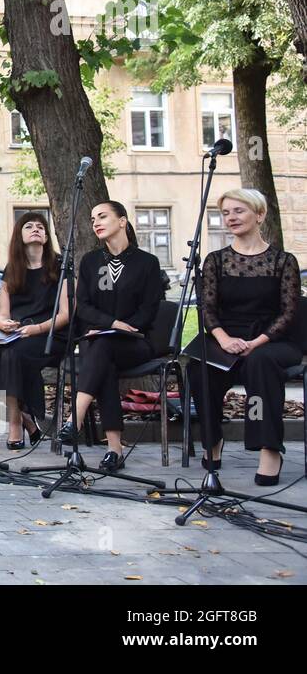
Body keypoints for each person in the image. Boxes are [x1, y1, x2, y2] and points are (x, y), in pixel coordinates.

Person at [186, 189, 301, 486]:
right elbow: (207, 309)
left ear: (259, 214)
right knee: (199, 366)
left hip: (273, 339)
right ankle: (213, 440)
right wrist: (223, 340)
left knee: (259, 363)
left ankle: (269, 449)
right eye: (225, 213)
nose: (231, 218)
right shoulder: (215, 260)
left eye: (238, 211)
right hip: (227, 336)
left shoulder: (283, 261)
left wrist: (257, 342)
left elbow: (289, 313)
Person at [61, 200, 167, 473]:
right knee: (102, 355)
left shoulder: (147, 263)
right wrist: (111, 324)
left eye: (103, 216)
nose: (95, 222)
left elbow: (149, 309)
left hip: (136, 342)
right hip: (100, 340)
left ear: (122, 221)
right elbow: (83, 306)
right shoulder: (91, 261)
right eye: (93, 217)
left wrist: (121, 327)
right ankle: (114, 449)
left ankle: (76, 417)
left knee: (102, 348)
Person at [0, 212, 68, 448]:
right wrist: (3, 324)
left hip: (50, 334)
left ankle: (14, 423)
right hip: (17, 333)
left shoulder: (60, 265)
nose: (36, 229)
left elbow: (65, 314)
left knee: (11, 355)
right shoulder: (12, 269)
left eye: (41, 226)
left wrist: (37, 328)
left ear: (46, 235)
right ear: (19, 235)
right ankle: (27, 422)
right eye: (29, 226)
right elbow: (3, 314)